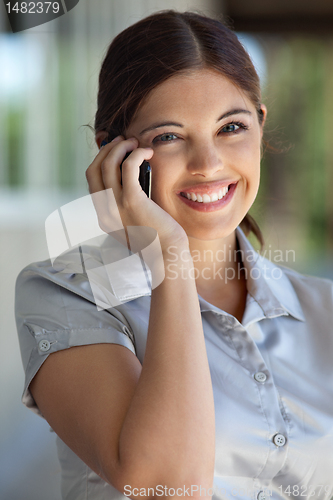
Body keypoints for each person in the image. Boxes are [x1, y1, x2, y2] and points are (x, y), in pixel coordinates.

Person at [15, 10, 333, 500]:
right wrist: (169, 253)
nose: (208, 164)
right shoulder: (64, 295)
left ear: (260, 126)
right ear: (113, 155)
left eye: (231, 127)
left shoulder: (323, 309)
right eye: (169, 136)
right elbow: (167, 486)